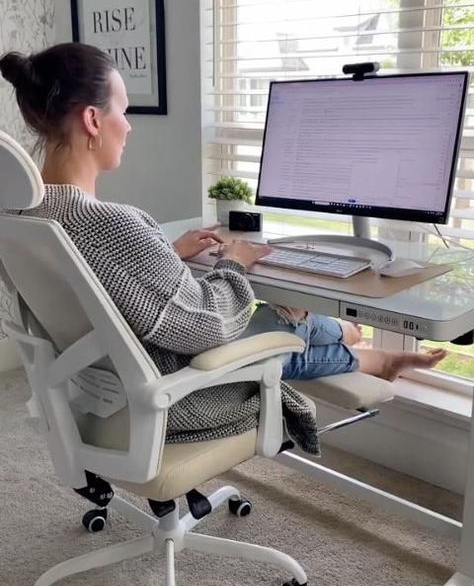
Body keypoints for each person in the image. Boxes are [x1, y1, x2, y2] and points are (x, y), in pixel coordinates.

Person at [0, 43, 446, 451]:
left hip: (96, 391)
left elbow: (93, 287)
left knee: (284, 317)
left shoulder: (26, 218)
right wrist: (233, 261)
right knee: (280, 318)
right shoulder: (112, 225)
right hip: (173, 399)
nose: (130, 127)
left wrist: (165, 255)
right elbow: (210, 327)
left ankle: (351, 342)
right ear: (93, 120)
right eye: (124, 110)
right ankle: (344, 338)